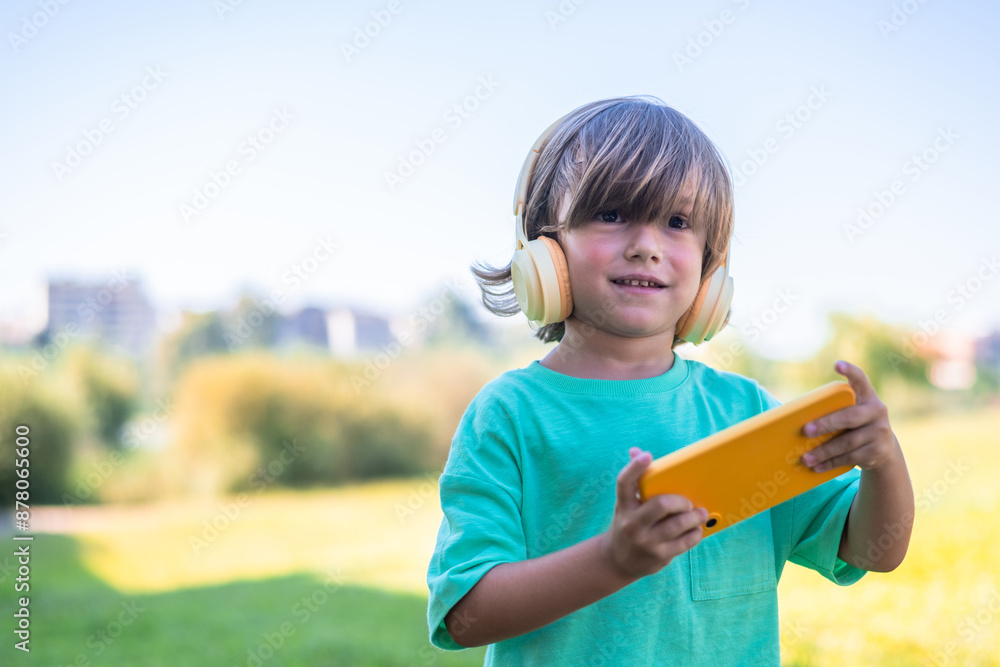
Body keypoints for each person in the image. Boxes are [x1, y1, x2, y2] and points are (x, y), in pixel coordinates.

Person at [425, 95, 914, 665]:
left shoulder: (745, 412)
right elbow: (463, 614)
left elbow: (874, 549)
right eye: (610, 214)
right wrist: (615, 559)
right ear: (544, 249)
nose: (646, 246)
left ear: (711, 265)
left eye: (678, 222)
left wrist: (884, 460)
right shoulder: (509, 413)